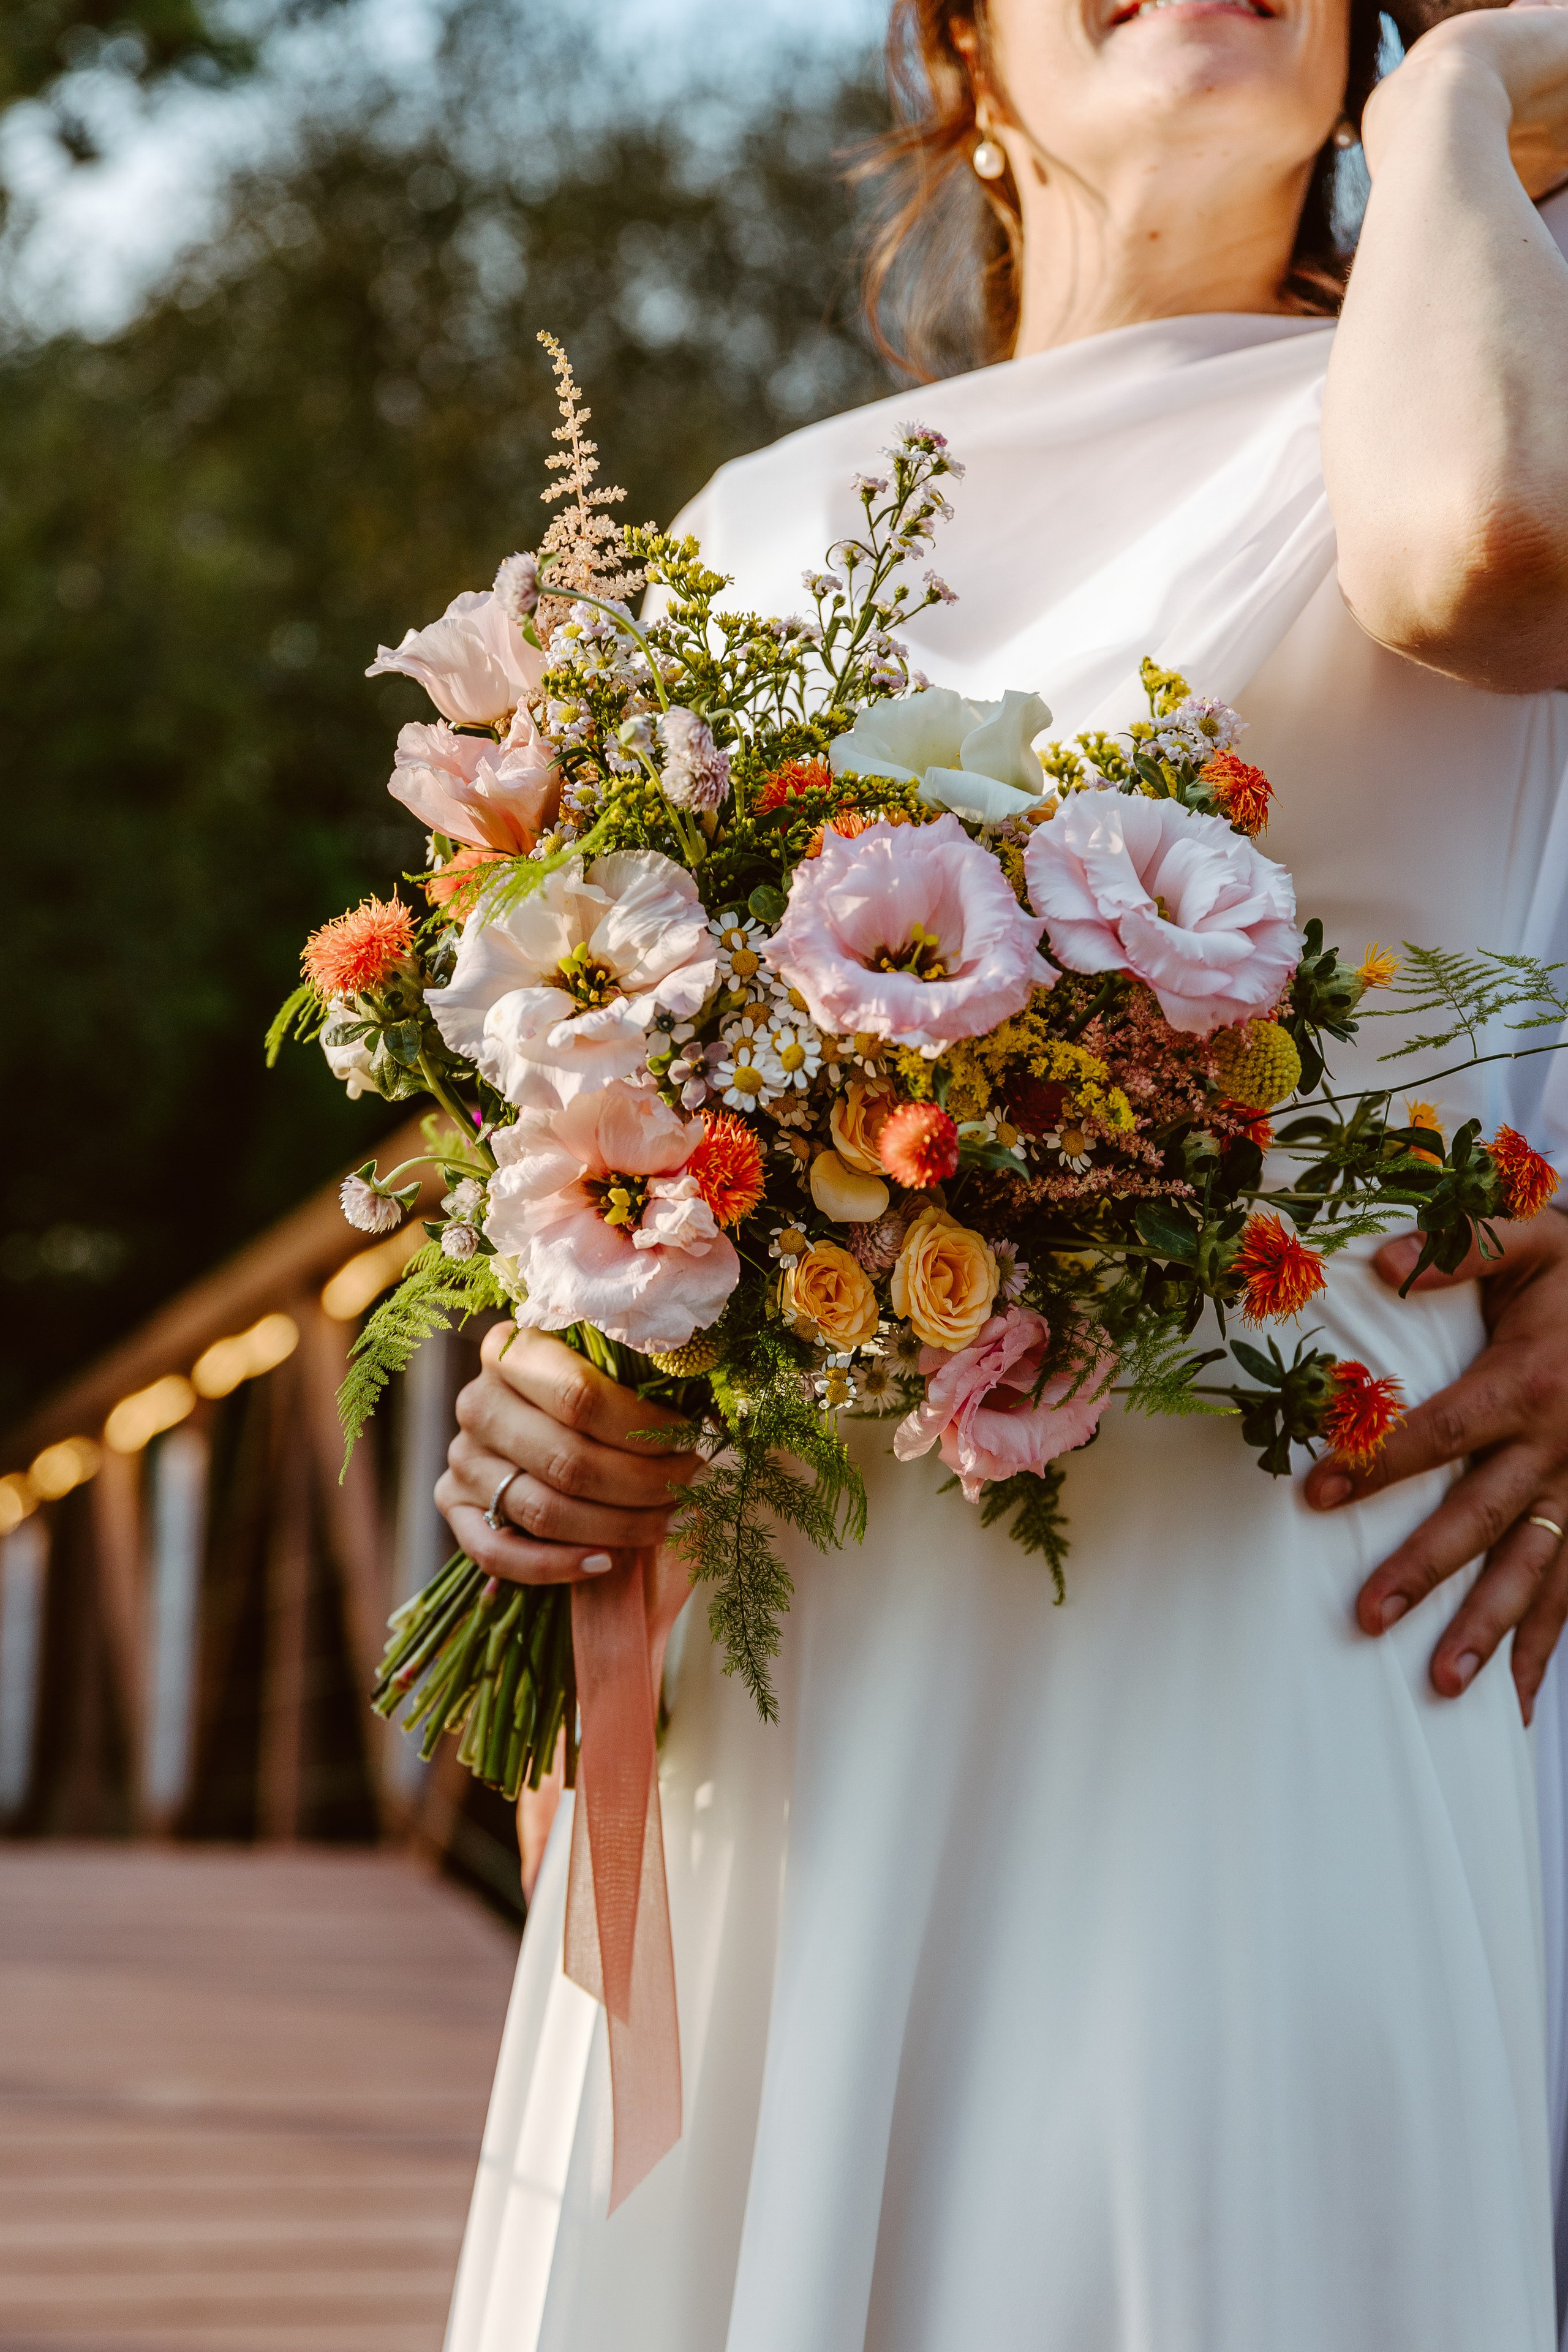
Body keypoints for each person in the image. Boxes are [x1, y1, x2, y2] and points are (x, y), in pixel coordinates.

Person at [436, 1, 1568, 2343]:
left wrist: (1458, 105)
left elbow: (1495, 546)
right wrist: (558, 1382)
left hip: (1293, 1596)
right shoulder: (754, 530)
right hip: (818, 1650)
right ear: (958, 47)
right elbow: (625, 1111)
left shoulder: (1466, 362)